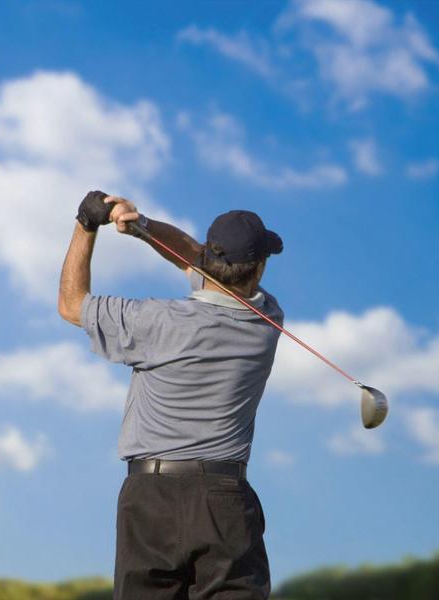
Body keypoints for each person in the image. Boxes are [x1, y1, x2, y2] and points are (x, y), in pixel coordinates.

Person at [58, 190, 284, 599]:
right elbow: (192, 257)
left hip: (149, 501)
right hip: (225, 500)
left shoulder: (154, 322)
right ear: (259, 268)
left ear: (210, 259)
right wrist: (140, 226)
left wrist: (86, 225)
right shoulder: (266, 321)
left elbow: (72, 305)